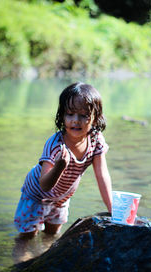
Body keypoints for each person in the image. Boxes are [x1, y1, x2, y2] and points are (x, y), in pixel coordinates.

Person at [14, 82, 112, 240]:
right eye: (70, 113)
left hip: (62, 198)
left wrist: (112, 209)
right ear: (62, 115)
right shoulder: (55, 144)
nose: (75, 120)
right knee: (28, 238)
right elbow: (44, 184)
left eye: (83, 115)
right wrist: (60, 166)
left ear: (95, 118)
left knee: (52, 236)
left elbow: (102, 175)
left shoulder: (96, 139)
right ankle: (23, 263)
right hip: (36, 195)